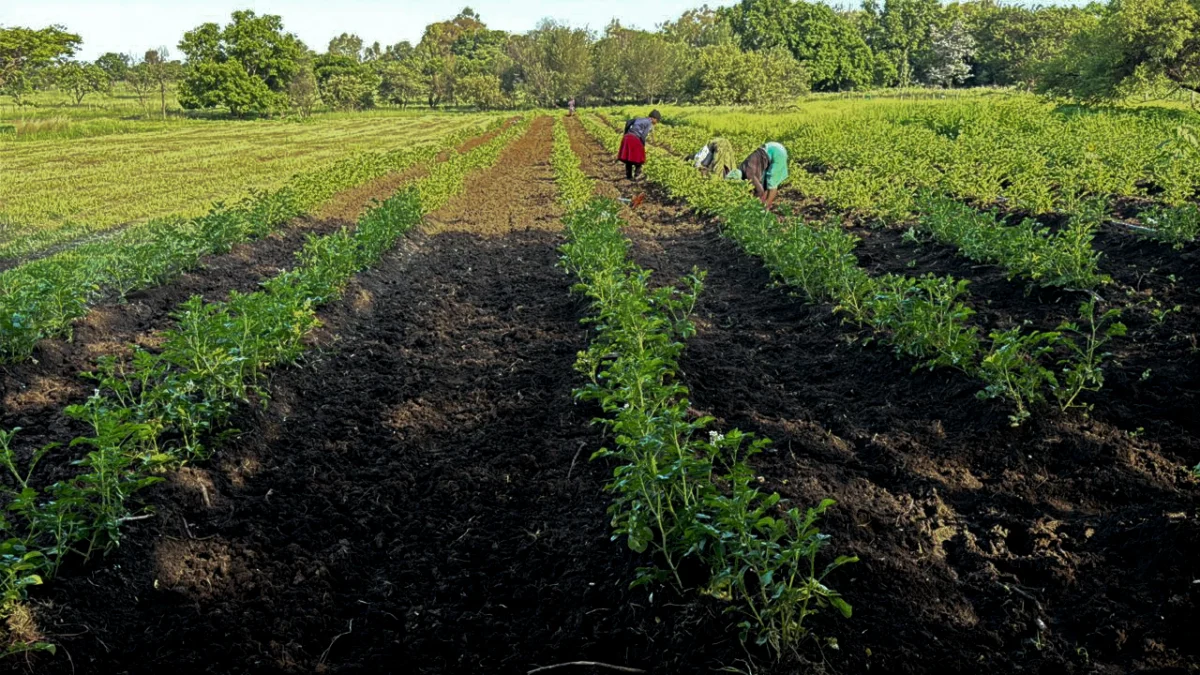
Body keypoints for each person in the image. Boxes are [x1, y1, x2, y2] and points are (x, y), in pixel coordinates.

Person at [735, 141, 789, 208]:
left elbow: (765, 189)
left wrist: (766, 204)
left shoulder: (747, 174)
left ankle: (766, 206)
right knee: (764, 182)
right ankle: (764, 204)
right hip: (768, 148)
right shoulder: (743, 170)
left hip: (777, 152)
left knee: (772, 182)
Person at [618, 109, 661, 181]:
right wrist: (642, 144)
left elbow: (628, 122)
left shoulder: (640, 119)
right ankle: (637, 175)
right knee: (641, 158)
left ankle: (629, 176)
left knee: (629, 157)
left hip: (627, 137)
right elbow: (643, 135)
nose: (656, 123)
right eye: (657, 121)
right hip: (635, 138)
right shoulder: (649, 123)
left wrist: (625, 134)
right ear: (654, 118)